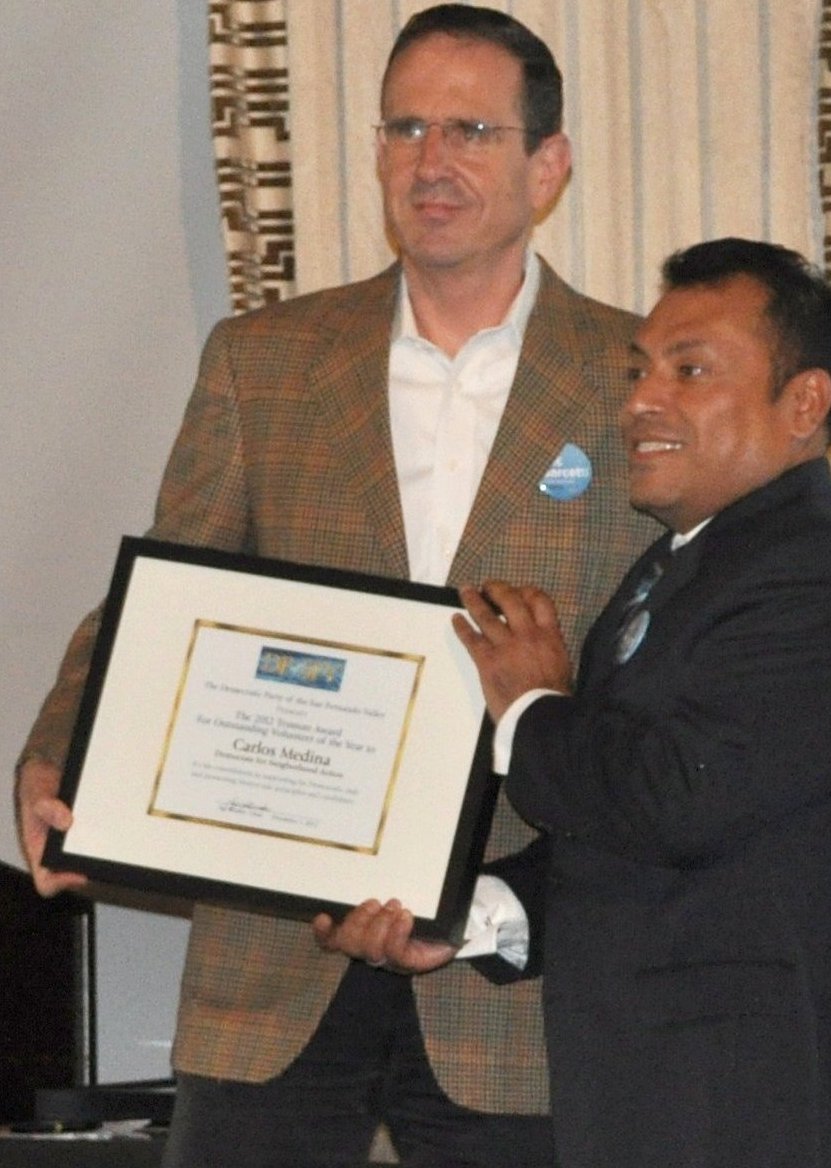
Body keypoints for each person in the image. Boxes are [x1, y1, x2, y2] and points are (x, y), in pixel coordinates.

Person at [14, 6, 655, 1166]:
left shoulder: (636, 377)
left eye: (470, 130)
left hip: (515, 963)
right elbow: (170, 587)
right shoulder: (263, 360)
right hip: (272, 957)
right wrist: (63, 744)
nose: (430, 160)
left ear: (547, 165)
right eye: (404, 128)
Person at [449, 238, 831, 1166]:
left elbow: (676, 799)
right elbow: (636, 845)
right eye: (641, 371)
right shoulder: (687, 565)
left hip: (751, 1113)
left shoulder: (819, 579)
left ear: (805, 403)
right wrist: (465, 911)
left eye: (689, 370)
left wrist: (532, 705)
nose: (640, 403)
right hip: (658, 1105)